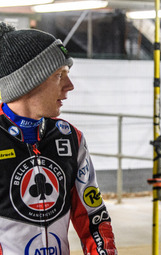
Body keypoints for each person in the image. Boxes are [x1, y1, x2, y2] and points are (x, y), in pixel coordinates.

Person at [0, 22, 117, 254]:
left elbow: (94, 218)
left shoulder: (71, 138)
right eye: (58, 75)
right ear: (28, 82)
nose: (69, 86)